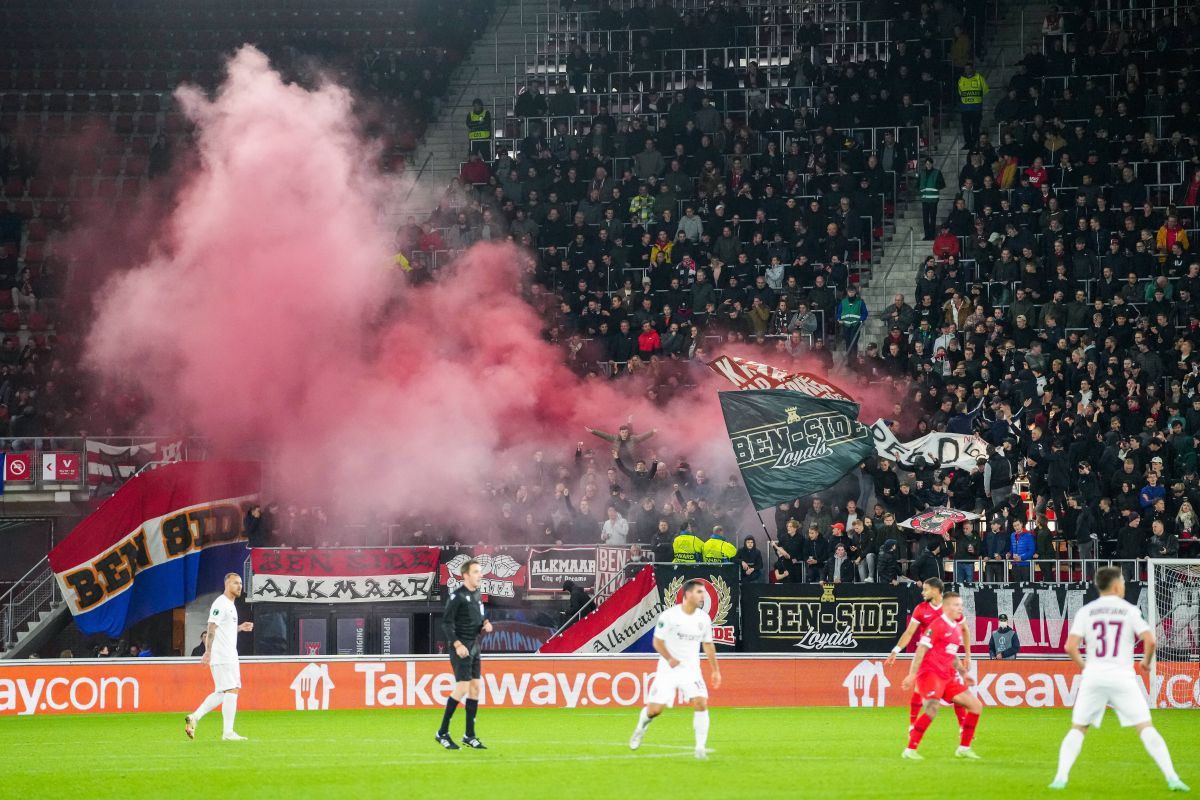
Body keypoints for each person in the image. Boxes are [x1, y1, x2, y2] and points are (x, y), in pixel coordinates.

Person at [1049, 567, 1189, 791]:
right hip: (1122, 677)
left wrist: (1086, 668)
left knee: (1078, 728)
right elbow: (1151, 640)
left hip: (1094, 677)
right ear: (1116, 586)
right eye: (1122, 582)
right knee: (1145, 727)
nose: (1123, 586)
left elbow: (1070, 646)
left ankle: (1060, 778)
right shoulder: (1129, 610)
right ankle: (1173, 778)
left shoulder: (1086, 611)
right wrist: (1146, 662)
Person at [629, 580, 722, 760]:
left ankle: (700, 748)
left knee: (701, 703)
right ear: (688, 594)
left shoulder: (703, 619)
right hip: (668, 670)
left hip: (691, 670)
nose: (702, 596)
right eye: (699, 592)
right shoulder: (669, 616)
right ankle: (640, 728)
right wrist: (670, 658)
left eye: (703, 592)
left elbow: (708, 644)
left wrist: (715, 670)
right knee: (655, 710)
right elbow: (657, 642)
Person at [901, 591, 983, 760]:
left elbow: (951, 655)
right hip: (930, 673)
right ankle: (909, 750)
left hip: (947, 676)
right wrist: (911, 675)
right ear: (946, 607)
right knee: (932, 708)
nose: (960, 608)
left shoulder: (956, 628)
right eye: (956, 605)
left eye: (960, 605)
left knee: (976, 706)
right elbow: (921, 649)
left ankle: (964, 748)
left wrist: (963, 673)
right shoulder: (937, 625)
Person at [887, 577, 972, 732]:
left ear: (935, 590)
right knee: (918, 689)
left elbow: (965, 629)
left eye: (925, 589)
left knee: (957, 694)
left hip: (946, 657)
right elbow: (909, 632)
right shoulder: (920, 609)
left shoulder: (950, 608)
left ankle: (963, 728)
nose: (922, 592)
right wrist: (895, 650)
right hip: (926, 657)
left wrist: (968, 655)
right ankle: (912, 725)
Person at [185, 572, 254, 741]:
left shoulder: (230, 605)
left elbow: (224, 629)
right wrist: (208, 651)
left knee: (223, 691)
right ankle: (228, 733)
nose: (239, 586)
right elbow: (211, 627)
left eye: (240, 583)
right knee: (232, 689)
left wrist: (239, 628)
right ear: (227, 584)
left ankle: (195, 717)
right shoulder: (221, 603)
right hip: (223, 655)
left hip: (228, 654)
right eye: (235, 583)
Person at [436, 559, 494, 750]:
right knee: (462, 688)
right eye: (476, 572)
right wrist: (457, 644)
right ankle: (442, 732)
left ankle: (469, 735)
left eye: (480, 571)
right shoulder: (457, 596)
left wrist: (485, 623)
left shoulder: (477, 594)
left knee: (475, 688)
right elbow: (446, 623)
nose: (480, 575)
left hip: (474, 646)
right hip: (461, 648)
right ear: (466, 575)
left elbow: (479, 615)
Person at [957, 62, 989, 149]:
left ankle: (975, 143)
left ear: (972, 69)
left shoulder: (979, 78)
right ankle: (968, 143)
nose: (967, 70)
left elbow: (985, 90)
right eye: (966, 69)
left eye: (969, 68)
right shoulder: (961, 80)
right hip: (965, 108)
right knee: (966, 128)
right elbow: (960, 92)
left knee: (975, 127)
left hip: (976, 108)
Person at [918, 157, 946, 240]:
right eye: (927, 164)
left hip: (933, 200)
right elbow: (918, 184)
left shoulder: (937, 172)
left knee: (932, 218)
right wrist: (920, 189)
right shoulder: (922, 173)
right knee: (925, 219)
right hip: (925, 199)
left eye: (929, 163)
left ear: (932, 164)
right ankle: (927, 235)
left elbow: (942, 184)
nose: (928, 165)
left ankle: (932, 235)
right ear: (925, 164)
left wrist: (935, 185)